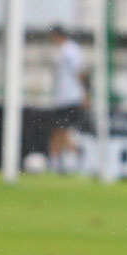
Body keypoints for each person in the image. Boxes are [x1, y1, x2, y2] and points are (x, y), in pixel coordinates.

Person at [47, 26, 90, 173]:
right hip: (63, 98)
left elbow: (81, 72)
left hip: (70, 98)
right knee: (60, 131)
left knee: (60, 131)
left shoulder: (70, 50)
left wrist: (86, 94)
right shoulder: (64, 50)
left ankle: (60, 160)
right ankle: (66, 157)